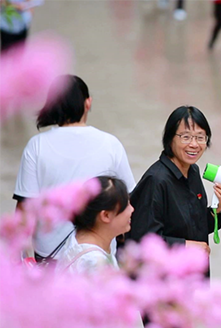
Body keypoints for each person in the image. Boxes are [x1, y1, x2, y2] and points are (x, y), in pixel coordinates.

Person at [14, 75, 136, 263]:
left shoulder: (37, 146)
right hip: (97, 254)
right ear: (88, 103)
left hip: (49, 258)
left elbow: (24, 209)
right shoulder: (111, 144)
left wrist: (19, 259)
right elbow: (128, 197)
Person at [126, 106, 221, 259]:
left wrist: (217, 209)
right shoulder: (156, 180)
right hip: (164, 278)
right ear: (170, 139)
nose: (194, 144)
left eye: (200, 137)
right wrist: (185, 245)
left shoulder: (193, 172)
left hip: (191, 275)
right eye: (186, 137)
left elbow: (197, 227)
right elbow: (142, 240)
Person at [57, 176, 133, 274]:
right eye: (126, 206)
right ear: (106, 215)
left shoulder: (79, 236)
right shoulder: (95, 264)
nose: (132, 209)